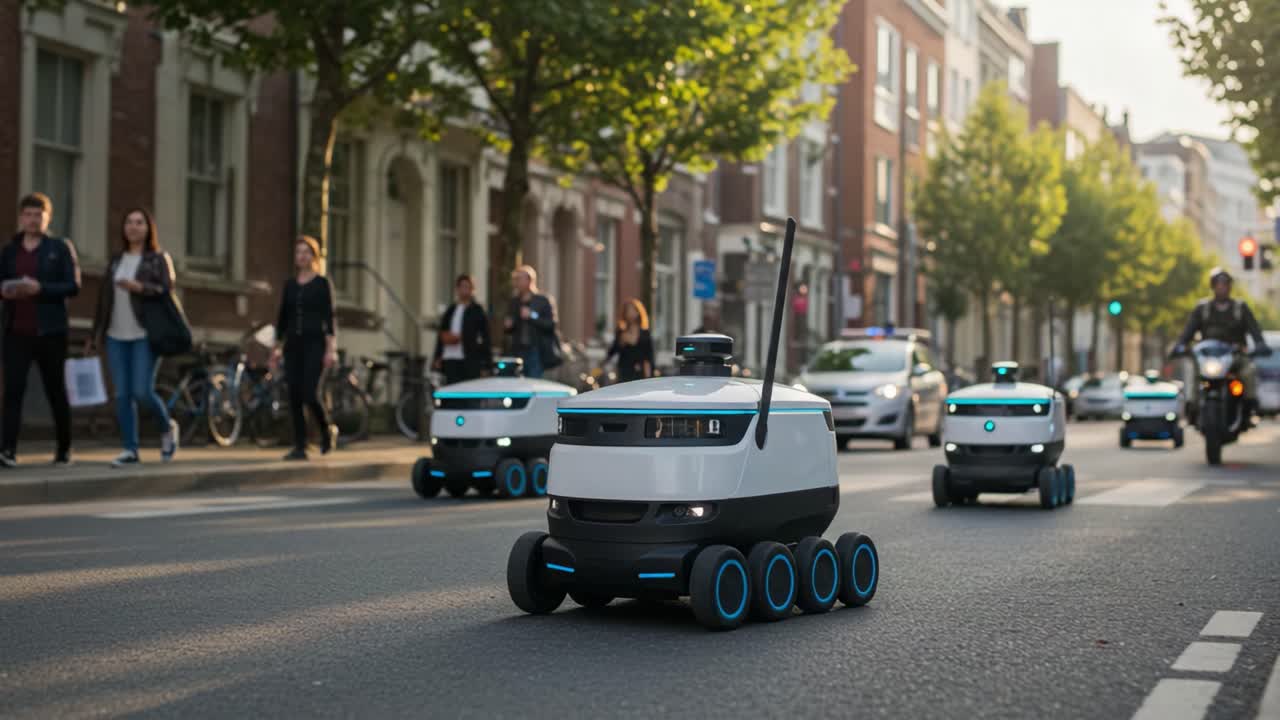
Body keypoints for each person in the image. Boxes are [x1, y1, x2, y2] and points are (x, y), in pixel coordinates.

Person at [88, 208, 181, 467]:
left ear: (148, 228)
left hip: (144, 334)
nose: (133, 227)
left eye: (139, 222)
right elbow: (103, 300)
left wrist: (140, 287)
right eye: (129, 222)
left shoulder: (158, 259)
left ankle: (167, 428)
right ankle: (130, 449)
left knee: (141, 391)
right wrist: (95, 333)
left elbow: (167, 290)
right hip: (116, 334)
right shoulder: (116, 261)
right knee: (122, 394)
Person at [0, 193, 81, 467]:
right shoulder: (10, 251)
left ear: (48, 218)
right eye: (29, 215)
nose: (33, 220)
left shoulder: (59, 248)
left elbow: (73, 285)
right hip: (16, 331)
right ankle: (7, 450)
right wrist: (7, 291)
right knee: (13, 390)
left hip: (50, 332)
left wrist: (41, 289)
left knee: (55, 390)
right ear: (21, 218)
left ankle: (64, 448)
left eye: (39, 215)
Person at [1172, 267, 1272, 418]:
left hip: (1235, 356)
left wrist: (1260, 344)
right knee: (1193, 371)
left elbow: (1255, 331)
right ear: (1213, 287)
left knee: (1248, 371)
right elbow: (1188, 332)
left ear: (1230, 287)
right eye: (1218, 284)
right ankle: (1192, 406)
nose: (1222, 288)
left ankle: (1249, 406)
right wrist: (1180, 346)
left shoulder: (1240, 308)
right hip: (1208, 357)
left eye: (1225, 284)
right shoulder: (1202, 308)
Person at [272, 236, 338, 460]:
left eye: (306, 252)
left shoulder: (321, 283)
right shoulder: (290, 284)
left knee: (310, 393)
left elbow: (329, 319)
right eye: (299, 252)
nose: (302, 256)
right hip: (293, 345)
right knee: (294, 395)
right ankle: (300, 445)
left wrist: (330, 349)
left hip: (315, 345)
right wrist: (276, 347)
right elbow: (282, 318)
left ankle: (326, 430)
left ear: (314, 256)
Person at [433, 274, 492, 385]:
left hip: (469, 359)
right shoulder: (451, 310)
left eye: (468, 287)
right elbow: (441, 334)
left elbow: (485, 337)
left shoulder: (477, 311)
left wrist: (486, 364)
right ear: (457, 289)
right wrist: (437, 356)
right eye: (462, 287)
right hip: (450, 358)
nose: (464, 290)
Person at [504, 265, 557, 379]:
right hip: (517, 350)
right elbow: (509, 328)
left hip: (536, 350)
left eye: (519, 279)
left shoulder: (542, 300)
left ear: (529, 280)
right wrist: (508, 325)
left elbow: (550, 324)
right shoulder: (514, 301)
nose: (517, 282)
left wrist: (531, 315)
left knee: (534, 382)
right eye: (515, 279)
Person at [605, 298, 654, 382]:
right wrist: (621, 342)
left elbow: (648, 355)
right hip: (625, 370)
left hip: (639, 371)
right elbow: (613, 351)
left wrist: (649, 376)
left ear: (638, 312)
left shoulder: (645, 333)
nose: (630, 313)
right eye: (627, 311)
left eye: (632, 310)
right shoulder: (621, 332)